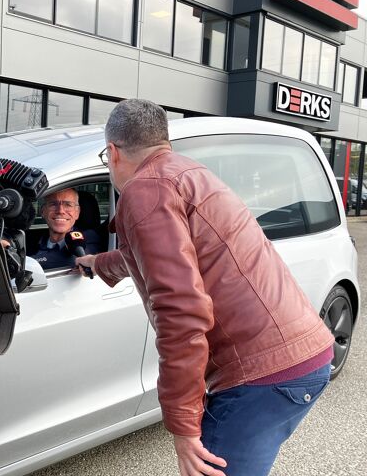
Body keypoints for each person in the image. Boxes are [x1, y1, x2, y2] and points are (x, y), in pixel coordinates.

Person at [75, 99, 334, 476]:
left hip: (264, 373)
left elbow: (179, 312)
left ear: (112, 152)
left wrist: (182, 424)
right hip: (300, 354)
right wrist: (99, 264)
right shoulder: (186, 172)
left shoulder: (144, 191)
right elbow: (170, 251)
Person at [30, 188, 101, 270]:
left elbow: (73, 260)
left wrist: (28, 262)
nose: (60, 211)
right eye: (53, 204)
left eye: (68, 205)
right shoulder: (33, 240)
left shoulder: (89, 238)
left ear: (77, 213)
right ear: (42, 211)